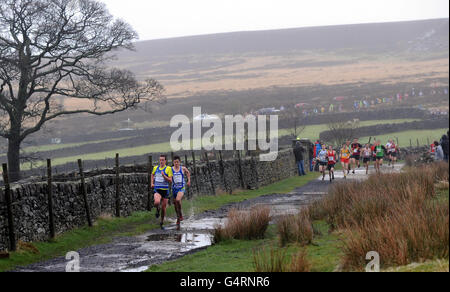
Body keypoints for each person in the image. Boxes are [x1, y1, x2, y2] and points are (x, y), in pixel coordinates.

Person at [151, 154, 173, 230]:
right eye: (160, 160)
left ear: (165, 161)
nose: (161, 161)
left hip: (165, 191)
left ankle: (161, 222)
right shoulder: (155, 168)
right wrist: (152, 183)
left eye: (162, 160)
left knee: (164, 209)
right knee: (156, 202)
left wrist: (164, 176)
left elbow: (170, 180)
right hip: (157, 190)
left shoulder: (168, 169)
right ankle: (157, 209)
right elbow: (152, 175)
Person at [172, 156, 191, 230]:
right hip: (174, 189)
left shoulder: (182, 168)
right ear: (173, 163)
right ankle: (178, 217)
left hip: (181, 188)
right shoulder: (171, 169)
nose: (176, 163)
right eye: (175, 162)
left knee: (177, 200)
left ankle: (180, 215)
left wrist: (188, 180)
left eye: (177, 162)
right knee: (175, 204)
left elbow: (188, 172)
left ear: (179, 162)